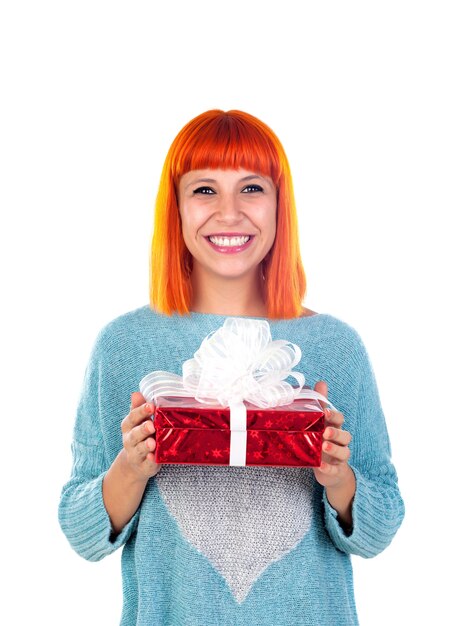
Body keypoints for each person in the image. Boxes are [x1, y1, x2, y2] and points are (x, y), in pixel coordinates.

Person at [59, 109, 405, 625]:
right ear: (174, 208)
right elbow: (81, 530)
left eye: (251, 188)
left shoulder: (337, 346)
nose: (228, 213)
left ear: (279, 206)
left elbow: (382, 525)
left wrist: (338, 479)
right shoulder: (124, 344)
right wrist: (130, 468)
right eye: (204, 190)